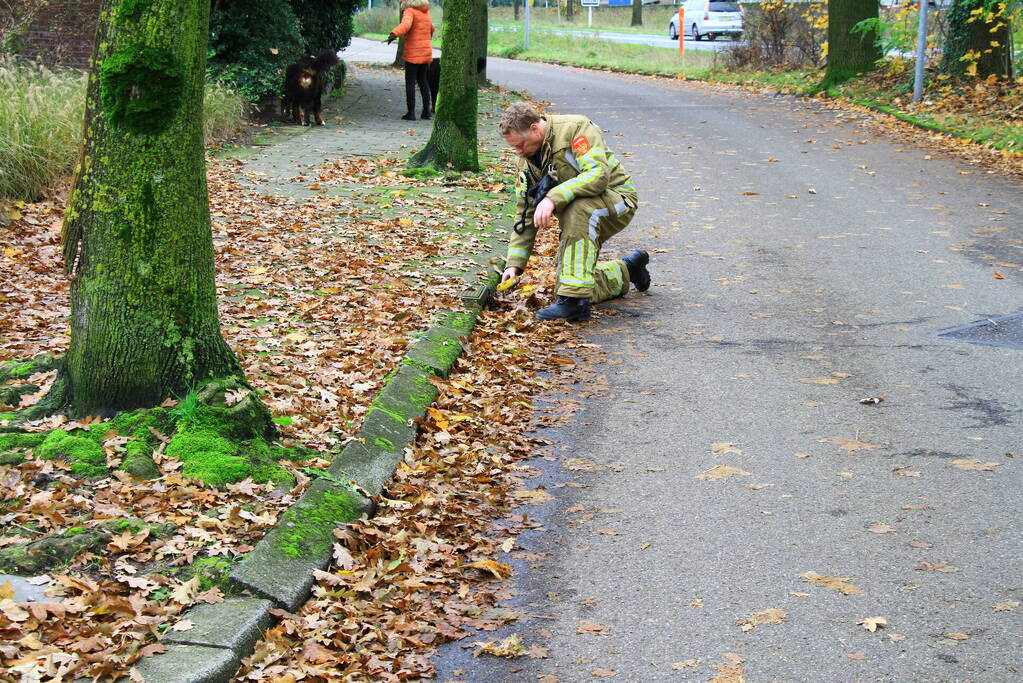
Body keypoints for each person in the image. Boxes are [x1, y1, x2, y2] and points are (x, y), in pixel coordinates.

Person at [498, 102, 650, 322]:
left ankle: (573, 304)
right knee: (571, 282)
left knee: (579, 210)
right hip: (581, 211)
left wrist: (553, 197)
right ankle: (628, 270)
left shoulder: (576, 128)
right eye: (514, 148)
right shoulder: (525, 161)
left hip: (618, 198)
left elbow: (598, 175)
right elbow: (525, 213)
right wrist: (514, 264)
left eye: (521, 145)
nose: (518, 152)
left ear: (534, 129)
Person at [387, 0, 435, 121]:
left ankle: (411, 113)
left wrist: (394, 33)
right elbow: (432, 29)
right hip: (425, 53)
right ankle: (426, 112)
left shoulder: (409, 11)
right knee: (423, 81)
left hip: (413, 54)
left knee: (410, 82)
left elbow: (406, 25)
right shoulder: (425, 12)